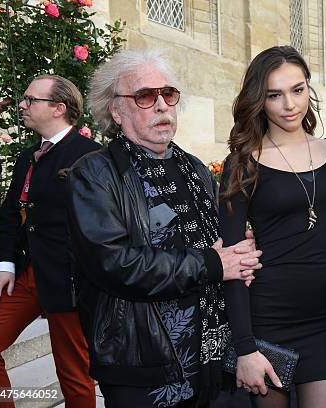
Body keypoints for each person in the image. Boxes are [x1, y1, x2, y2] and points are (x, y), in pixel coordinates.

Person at [67, 49, 262, 408]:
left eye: (168, 94)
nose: (161, 106)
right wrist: (215, 263)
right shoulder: (94, 174)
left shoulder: (196, 168)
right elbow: (115, 263)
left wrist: (238, 252)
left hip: (211, 358)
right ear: (116, 110)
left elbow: (214, 245)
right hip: (143, 364)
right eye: (144, 96)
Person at [219, 46, 326, 408]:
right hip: (268, 321)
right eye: (274, 95)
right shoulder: (241, 162)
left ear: (309, 89)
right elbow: (233, 262)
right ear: (259, 100)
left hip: (325, 321)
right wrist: (245, 346)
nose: (289, 104)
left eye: (298, 89)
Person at [0, 75, 99, 407]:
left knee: (75, 376)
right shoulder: (27, 157)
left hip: (69, 281)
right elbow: (12, 213)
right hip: (27, 274)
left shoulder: (91, 156)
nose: (22, 105)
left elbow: (100, 227)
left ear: (58, 108)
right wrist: (4, 262)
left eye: (30, 100)